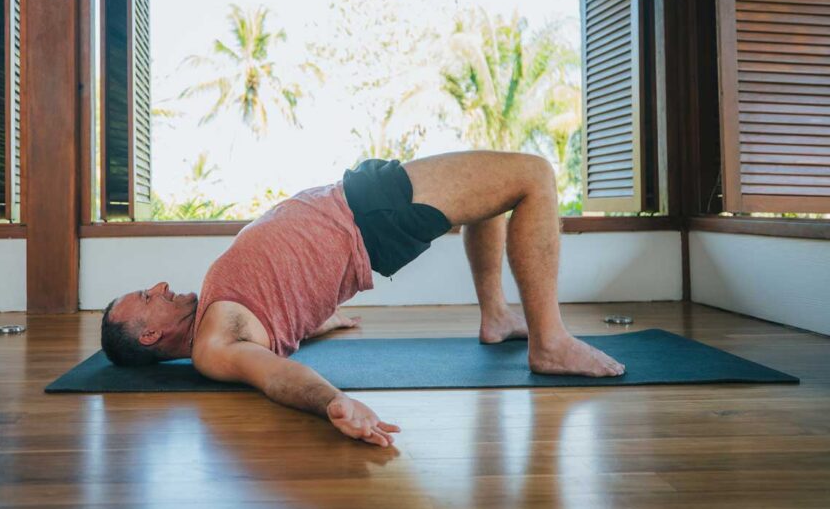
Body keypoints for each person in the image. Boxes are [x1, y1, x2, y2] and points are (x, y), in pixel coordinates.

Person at [100, 151, 625, 447]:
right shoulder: (214, 346)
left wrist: (319, 323)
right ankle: (550, 342)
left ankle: (497, 317)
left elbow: (275, 325)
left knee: (489, 196)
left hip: (359, 203)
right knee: (533, 175)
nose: (162, 286)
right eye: (149, 296)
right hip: (367, 213)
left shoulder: (222, 318)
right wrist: (334, 401)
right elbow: (274, 374)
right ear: (149, 334)